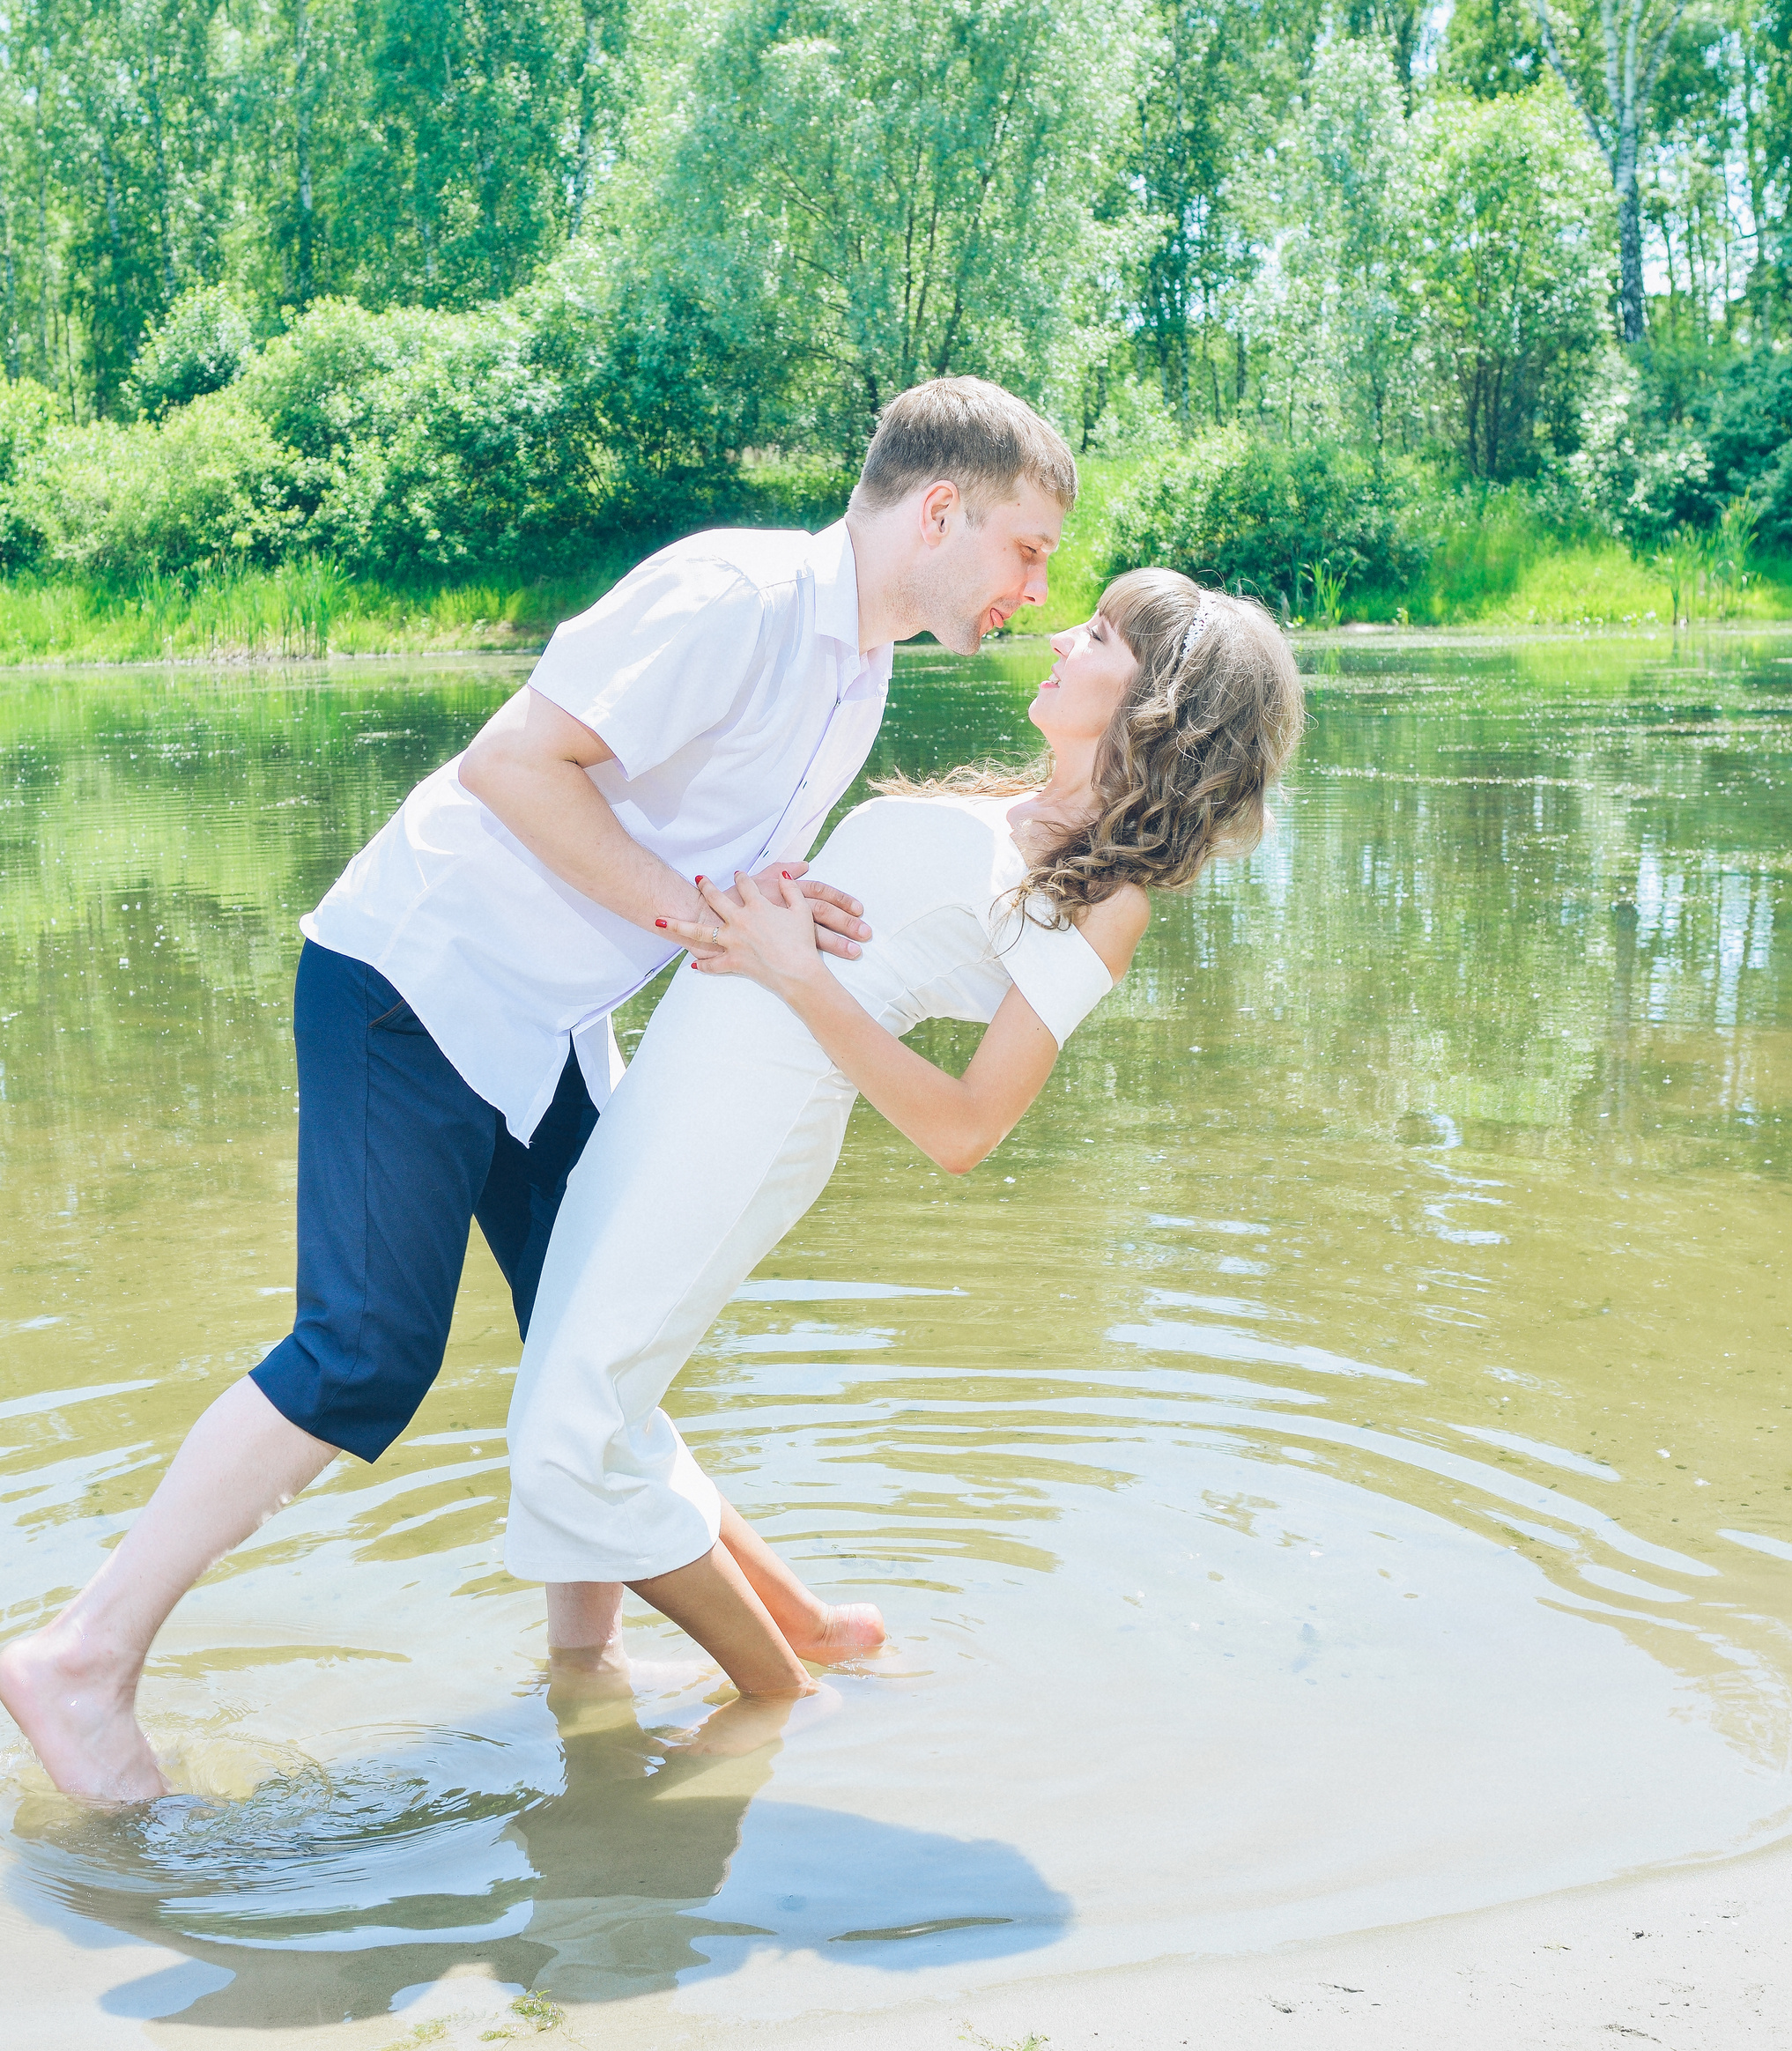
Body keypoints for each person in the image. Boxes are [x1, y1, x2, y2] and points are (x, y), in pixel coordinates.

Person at [0, 376, 1076, 1802]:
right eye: (1027, 549)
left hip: (547, 1022)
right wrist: (699, 917)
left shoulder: (856, 672)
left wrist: (771, 901)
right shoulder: (735, 598)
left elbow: (693, 859)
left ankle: (601, 1673)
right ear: (941, 509)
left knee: (601, 1331)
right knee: (366, 1353)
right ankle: (81, 1655)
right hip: (420, 979)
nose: (1035, 587)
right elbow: (514, 763)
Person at [502, 569, 1304, 1697]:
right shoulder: (1013, 812)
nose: (1065, 633)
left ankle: (780, 1703)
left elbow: (969, 1127)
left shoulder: (1110, 896)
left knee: (565, 1433)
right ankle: (820, 1633)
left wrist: (794, 976)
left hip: (755, 1110)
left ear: (1160, 703)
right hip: (692, 1074)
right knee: (586, 1396)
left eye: (1105, 633)